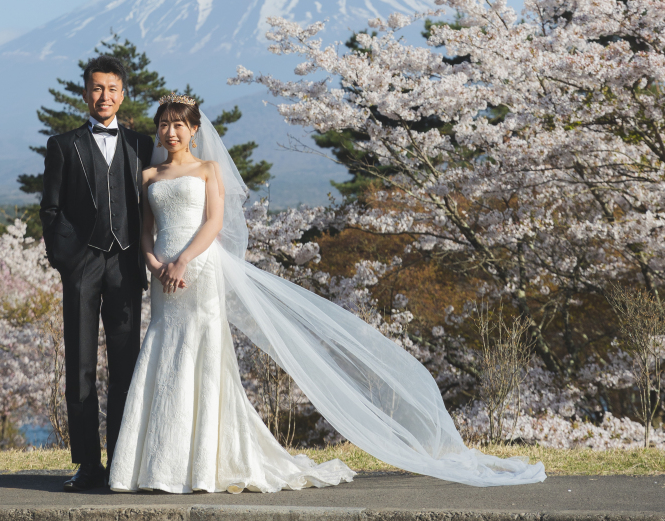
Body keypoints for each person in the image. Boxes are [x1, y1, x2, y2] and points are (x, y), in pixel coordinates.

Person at [110, 95, 547, 494]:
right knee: (165, 351)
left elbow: (213, 223)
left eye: (178, 124)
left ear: (194, 129)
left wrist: (183, 261)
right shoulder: (150, 174)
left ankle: (203, 465)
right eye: (164, 124)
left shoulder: (208, 170)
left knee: (201, 352)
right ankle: (160, 466)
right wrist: (155, 264)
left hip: (199, 269)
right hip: (163, 276)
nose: (170, 132)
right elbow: (146, 230)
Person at [40, 55, 154, 492]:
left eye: (112, 89)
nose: (103, 96)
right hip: (82, 269)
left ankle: (122, 463)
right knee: (81, 367)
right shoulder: (63, 145)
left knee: (126, 367)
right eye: (96, 88)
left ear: (123, 94)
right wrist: (70, 263)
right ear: (85, 93)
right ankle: (88, 466)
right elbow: (51, 210)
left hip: (126, 269)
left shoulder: (142, 145)